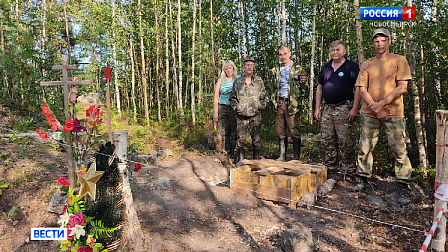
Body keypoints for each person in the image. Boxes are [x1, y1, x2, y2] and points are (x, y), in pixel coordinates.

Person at [356, 28, 412, 184]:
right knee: (365, 147)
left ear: (389, 41)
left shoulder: (400, 60)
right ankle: (363, 179)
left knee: (399, 148)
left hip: (393, 112)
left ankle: (403, 182)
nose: (379, 44)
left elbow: (402, 87)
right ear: (373, 43)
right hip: (369, 112)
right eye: (376, 41)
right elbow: (362, 89)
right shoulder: (368, 63)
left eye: (382, 40)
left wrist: (380, 105)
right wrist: (375, 108)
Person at [314, 40, 361, 172]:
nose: (334, 53)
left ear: (344, 51)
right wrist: (317, 108)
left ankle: (348, 169)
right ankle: (330, 167)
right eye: (332, 50)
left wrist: (354, 109)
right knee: (327, 139)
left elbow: (358, 89)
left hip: (344, 108)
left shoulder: (351, 67)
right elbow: (319, 88)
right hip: (327, 108)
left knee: (345, 140)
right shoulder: (326, 67)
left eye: (337, 50)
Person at [270, 45, 306, 161]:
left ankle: (296, 156)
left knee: (293, 129)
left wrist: (299, 102)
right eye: (280, 55)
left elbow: (304, 86)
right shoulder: (275, 70)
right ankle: (282, 155)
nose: (283, 57)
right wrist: (274, 101)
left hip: (292, 103)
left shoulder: (298, 69)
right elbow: (272, 87)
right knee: (280, 130)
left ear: (289, 54)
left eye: (285, 54)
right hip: (280, 102)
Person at [229, 55, 267, 161]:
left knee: (256, 140)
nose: (249, 67)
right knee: (241, 140)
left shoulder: (259, 81)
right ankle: (241, 162)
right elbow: (232, 97)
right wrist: (237, 108)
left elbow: (264, 98)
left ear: (254, 66)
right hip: (241, 116)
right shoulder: (238, 82)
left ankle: (256, 162)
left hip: (255, 116)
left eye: (251, 65)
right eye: (247, 65)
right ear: (243, 66)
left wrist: (259, 107)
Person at [213, 60, 238, 158]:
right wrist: (216, 113)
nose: (228, 70)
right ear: (224, 70)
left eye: (230, 68)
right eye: (226, 69)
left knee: (234, 131)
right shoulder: (220, 80)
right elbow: (216, 97)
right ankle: (225, 152)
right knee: (224, 131)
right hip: (223, 107)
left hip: (234, 108)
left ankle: (234, 153)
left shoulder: (238, 79)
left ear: (233, 68)